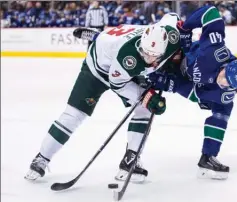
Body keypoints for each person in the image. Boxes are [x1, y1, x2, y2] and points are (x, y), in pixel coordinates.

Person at [25, 15, 181, 183]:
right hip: (98, 69)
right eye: (145, 54)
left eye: (154, 57)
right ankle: (41, 158)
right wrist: (148, 97)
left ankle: (130, 160)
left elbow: (172, 16)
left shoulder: (170, 36)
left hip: (112, 44)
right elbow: (118, 84)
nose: (149, 59)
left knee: (144, 110)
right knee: (73, 115)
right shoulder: (128, 57)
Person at [148, 5, 237, 180]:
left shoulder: (225, 94)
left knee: (223, 112)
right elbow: (210, 13)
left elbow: (194, 94)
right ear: (226, 65)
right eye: (225, 76)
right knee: (168, 21)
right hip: (180, 51)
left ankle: (208, 157)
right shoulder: (214, 50)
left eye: (229, 83)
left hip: (182, 77)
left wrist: (171, 84)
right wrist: (186, 28)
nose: (223, 82)